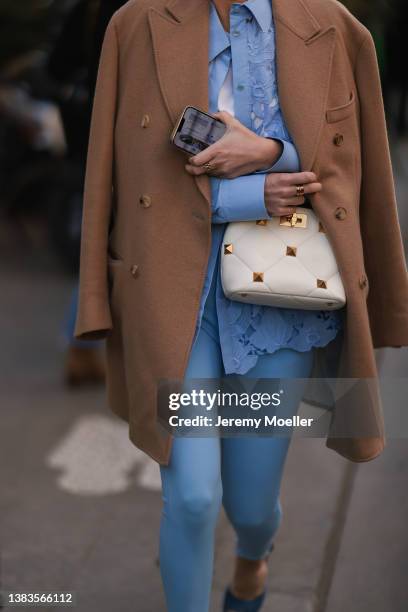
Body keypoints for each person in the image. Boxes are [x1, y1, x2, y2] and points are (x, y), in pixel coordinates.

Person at [73, 0, 408, 610]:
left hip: (279, 303)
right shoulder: (137, 22)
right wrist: (250, 191)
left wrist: (270, 152)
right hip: (175, 297)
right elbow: (117, 170)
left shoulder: (331, 25)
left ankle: (254, 557)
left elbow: (351, 169)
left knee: (250, 507)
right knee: (193, 496)